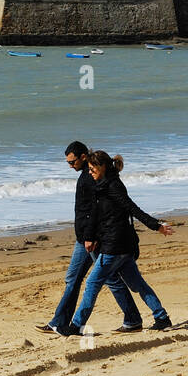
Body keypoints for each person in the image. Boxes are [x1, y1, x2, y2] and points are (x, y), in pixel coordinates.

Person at [58, 150, 174, 336]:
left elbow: (132, 208)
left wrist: (156, 226)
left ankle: (77, 326)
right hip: (122, 248)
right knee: (138, 285)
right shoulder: (101, 186)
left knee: (92, 283)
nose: (89, 172)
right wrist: (89, 237)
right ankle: (162, 318)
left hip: (115, 247)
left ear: (102, 166)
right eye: (88, 169)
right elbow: (96, 215)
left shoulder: (113, 187)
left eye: (92, 168)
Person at [37, 141, 144, 334]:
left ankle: (133, 319)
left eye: (72, 162)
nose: (70, 166)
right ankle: (59, 322)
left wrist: (92, 237)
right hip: (84, 238)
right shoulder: (86, 176)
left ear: (84, 157)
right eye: (67, 162)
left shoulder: (91, 177)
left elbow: (97, 210)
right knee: (73, 278)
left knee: (110, 279)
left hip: (92, 239)